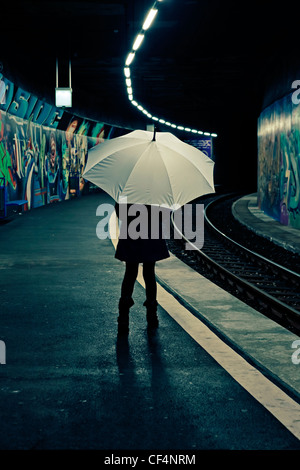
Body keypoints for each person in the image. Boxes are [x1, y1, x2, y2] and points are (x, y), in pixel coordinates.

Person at [115, 202, 170, 334]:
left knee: (130, 273)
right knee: (149, 273)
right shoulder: (157, 191)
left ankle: (123, 318)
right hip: (151, 234)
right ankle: (152, 316)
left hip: (131, 234)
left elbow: (119, 213)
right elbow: (165, 214)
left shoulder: (128, 189)